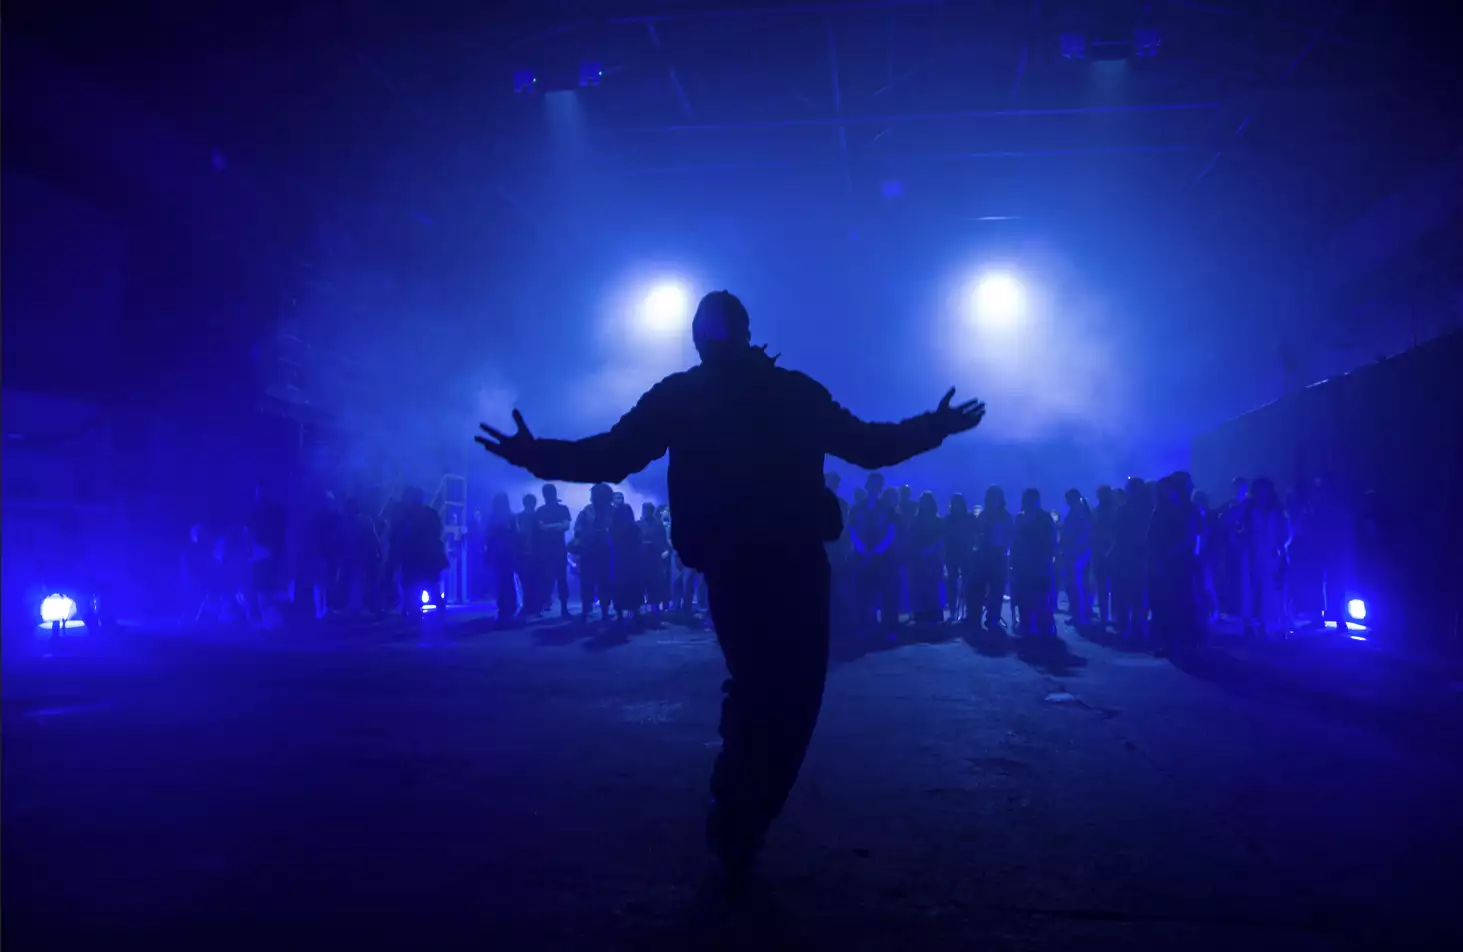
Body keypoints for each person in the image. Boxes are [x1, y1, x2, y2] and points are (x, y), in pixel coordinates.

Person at [475, 289, 985, 882]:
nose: (708, 339)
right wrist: (936, 427)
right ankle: (741, 815)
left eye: (708, 330)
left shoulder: (691, 395)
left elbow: (611, 457)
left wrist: (535, 456)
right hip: (783, 563)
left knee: (763, 690)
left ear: (711, 337)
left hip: (743, 564)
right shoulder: (779, 392)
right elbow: (869, 445)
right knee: (787, 697)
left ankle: (738, 813)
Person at [535, 485, 574, 619]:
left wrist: (547, 527)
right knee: (547, 579)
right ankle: (549, 607)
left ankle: (561, 608)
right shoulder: (542, 510)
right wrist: (557, 525)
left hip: (554, 549)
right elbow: (561, 526)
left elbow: (566, 526)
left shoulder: (553, 510)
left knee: (559, 579)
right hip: (549, 549)